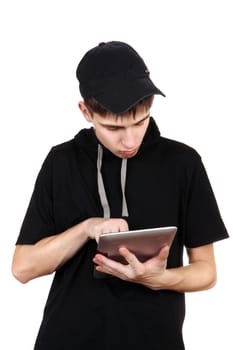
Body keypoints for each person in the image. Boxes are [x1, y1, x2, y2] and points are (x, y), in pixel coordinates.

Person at [12, 41, 229, 350]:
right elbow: (23, 268)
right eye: (114, 127)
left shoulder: (183, 163)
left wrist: (158, 279)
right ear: (85, 111)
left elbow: (207, 271)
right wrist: (86, 228)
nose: (130, 139)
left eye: (140, 122)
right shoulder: (62, 162)